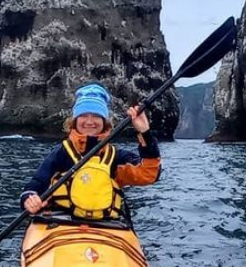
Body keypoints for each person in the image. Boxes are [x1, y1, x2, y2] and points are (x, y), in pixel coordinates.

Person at [20, 83, 160, 220]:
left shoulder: (115, 156)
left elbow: (149, 174)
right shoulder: (61, 153)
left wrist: (145, 133)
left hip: (104, 226)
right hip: (61, 222)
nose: (89, 121)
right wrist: (29, 199)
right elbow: (35, 185)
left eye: (96, 116)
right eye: (83, 115)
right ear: (75, 121)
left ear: (104, 121)